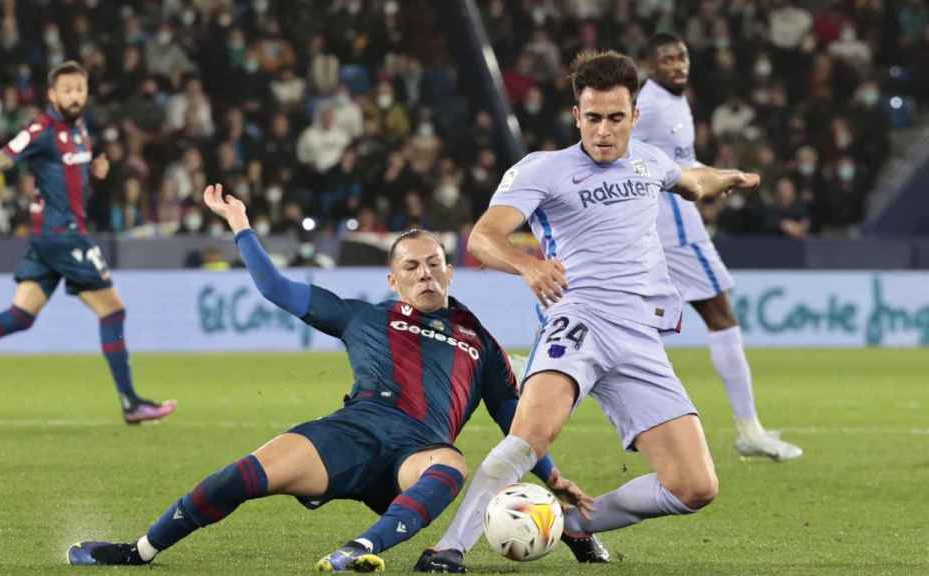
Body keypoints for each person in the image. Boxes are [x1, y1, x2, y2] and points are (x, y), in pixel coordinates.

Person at [66, 183, 601, 572]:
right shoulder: (361, 316)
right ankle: (139, 551)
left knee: (451, 466)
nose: (426, 274)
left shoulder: (478, 339)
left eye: (435, 263)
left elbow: (517, 422)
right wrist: (241, 227)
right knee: (240, 477)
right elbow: (276, 288)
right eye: (412, 267)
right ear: (393, 279)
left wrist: (554, 479)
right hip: (350, 434)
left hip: (417, 452)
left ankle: (359, 551)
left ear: (451, 270)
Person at [415, 50, 762, 572]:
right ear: (577, 116)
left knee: (695, 486)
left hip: (639, 335)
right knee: (531, 436)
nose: (603, 131)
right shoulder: (545, 169)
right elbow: (484, 238)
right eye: (593, 117)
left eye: (615, 118)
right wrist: (527, 266)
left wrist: (728, 176)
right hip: (577, 320)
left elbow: (693, 181)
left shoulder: (650, 161)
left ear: (633, 117)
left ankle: (573, 522)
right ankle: (449, 549)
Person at [0, 61, 175, 424]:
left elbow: (65, 177)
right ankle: (131, 402)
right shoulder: (42, 129)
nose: (74, 95)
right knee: (113, 311)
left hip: (50, 238)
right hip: (63, 235)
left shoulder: (81, 128)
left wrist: (93, 171)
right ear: (52, 95)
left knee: (21, 316)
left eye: (79, 89)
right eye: (66, 90)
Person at [636, 33, 802, 461]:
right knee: (721, 317)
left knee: (636, 323)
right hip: (673, 225)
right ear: (652, 66)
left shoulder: (674, 101)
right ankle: (748, 428)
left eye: (682, 57)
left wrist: (723, 176)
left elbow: (682, 163)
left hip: (661, 225)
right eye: (668, 60)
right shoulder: (649, 105)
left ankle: (636, 419)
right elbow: (635, 159)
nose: (678, 66)